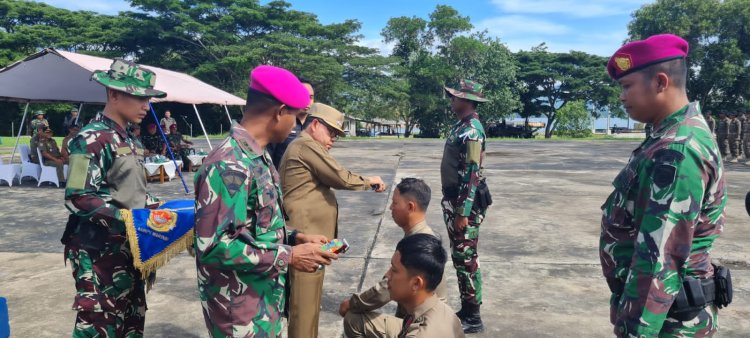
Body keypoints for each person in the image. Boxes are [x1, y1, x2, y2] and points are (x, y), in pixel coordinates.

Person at [193, 65, 338, 338]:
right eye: (296, 117)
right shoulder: (229, 164)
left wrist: (295, 237)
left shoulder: (257, 156)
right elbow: (212, 245)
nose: (297, 126)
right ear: (280, 111)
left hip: (262, 301)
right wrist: (290, 255)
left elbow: (254, 226)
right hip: (239, 312)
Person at [601, 34, 727, 337]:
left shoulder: (677, 151)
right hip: (664, 315)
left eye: (627, 86)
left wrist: (634, 332)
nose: (621, 96)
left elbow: (659, 259)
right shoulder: (666, 137)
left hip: (667, 322)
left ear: (659, 82)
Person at [61, 58, 166, 337]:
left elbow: (130, 190)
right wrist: (129, 219)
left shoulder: (129, 139)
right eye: (140, 97)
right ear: (114, 94)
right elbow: (78, 196)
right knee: (100, 324)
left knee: (131, 322)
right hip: (98, 253)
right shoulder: (90, 139)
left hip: (130, 249)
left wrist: (160, 209)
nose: (146, 106)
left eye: (149, 99)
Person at [279, 102, 386, 338]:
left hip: (311, 238)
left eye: (337, 135)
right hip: (304, 241)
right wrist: (371, 180)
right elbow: (341, 177)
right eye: (332, 132)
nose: (334, 139)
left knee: (309, 303)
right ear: (315, 124)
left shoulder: (304, 145)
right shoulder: (306, 145)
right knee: (303, 308)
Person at [340, 177, 448, 337]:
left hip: (424, 326)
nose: (391, 207)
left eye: (395, 203)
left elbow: (385, 289)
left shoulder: (418, 243)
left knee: (353, 319)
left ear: (410, 207)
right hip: (424, 317)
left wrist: (352, 303)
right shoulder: (420, 236)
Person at [441, 79, 491, 333]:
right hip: (454, 202)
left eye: (456, 96)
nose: (452, 99)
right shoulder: (461, 126)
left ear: (467, 101)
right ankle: (467, 308)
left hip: (464, 207)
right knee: (460, 256)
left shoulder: (471, 131)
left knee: (467, 256)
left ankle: (474, 316)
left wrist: (463, 212)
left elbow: (472, 174)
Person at [373, 234, 464, 338]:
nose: (386, 275)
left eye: (394, 270)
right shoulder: (445, 311)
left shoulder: (420, 333)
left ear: (416, 284)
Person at [268, 78, 315, 168]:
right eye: (303, 95)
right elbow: (268, 155)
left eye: (311, 97)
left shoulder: (315, 124)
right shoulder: (280, 122)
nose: (308, 101)